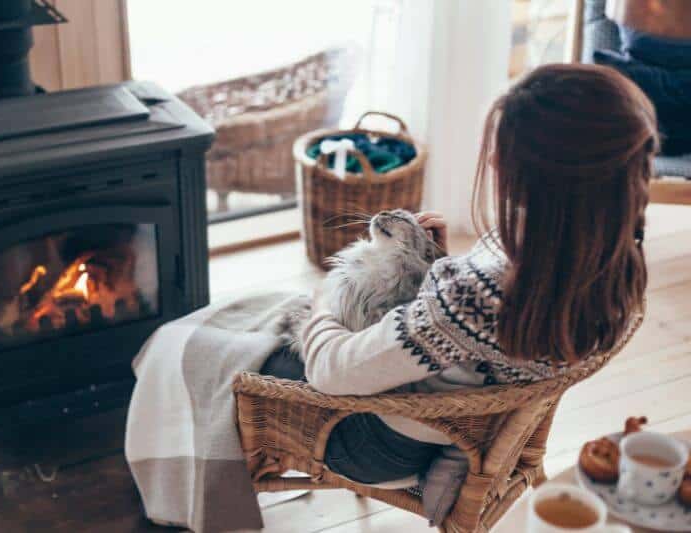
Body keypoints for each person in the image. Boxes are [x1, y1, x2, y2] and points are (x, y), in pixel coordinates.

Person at [260, 63, 657, 484]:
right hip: (470, 431)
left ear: (539, 179)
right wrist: (442, 269)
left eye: (502, 152)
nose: (491, 159)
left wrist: (323, 302)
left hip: (379, 445)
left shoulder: (478, 294)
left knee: (225, 358)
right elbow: (482, 339)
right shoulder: (617, 263)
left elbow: (329, 371)